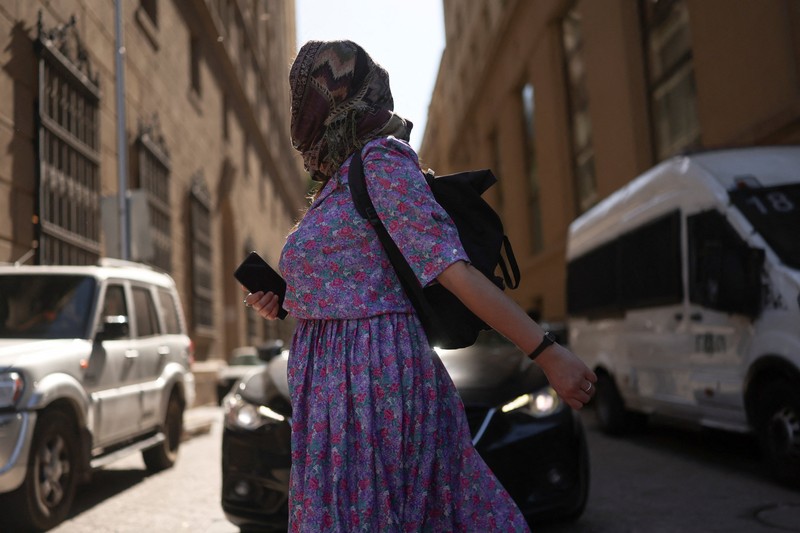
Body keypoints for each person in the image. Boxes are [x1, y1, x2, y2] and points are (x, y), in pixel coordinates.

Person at [244, 39, 597, 532]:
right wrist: (282, 301)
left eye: (308, 92)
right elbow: (355, 284)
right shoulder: (336, 183)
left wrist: (545, 351)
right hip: (331, 393)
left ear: (334, 98)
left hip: (374, 386)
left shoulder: (382, 161)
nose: (299, 107)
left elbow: (453, 270)